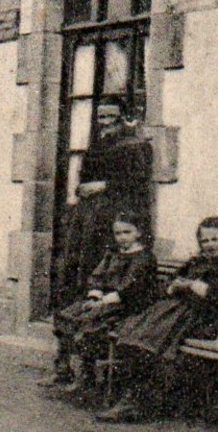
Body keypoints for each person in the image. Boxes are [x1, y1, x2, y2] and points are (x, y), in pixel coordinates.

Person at [96, 216, 218, 422]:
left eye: (215, 239)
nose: (210, 245)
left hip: (208, 318)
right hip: (179, 311)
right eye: (205, 241)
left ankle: (138, 403)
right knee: (138, 331)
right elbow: (168, 284)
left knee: (151, 337)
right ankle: (135, 399)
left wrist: (194, 287)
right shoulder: (195, 262)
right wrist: (175, 285)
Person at [52, 100, 152, 311]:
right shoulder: (97, 146)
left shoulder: (136, 145)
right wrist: (82, 189)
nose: (106, 122)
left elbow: (138, 181)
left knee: (102, 257)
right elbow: (85, 176)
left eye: (111, 117)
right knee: (78, 259)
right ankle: (78, 306)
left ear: (123, 118)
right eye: (101, 117)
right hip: (88, 212)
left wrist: (104, 185)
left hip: (114, 212)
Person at [40, 212, 158, 393]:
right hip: (102, 301)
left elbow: (130, 288)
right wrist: (94, 296)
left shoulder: (143, 258)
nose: (122, 238)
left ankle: (86, 375)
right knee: (67, 316)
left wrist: (102, 302)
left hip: (125, 304)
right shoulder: (112, 254)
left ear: (139, 233)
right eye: (118, 233)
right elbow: (98, 276)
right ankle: (63, 369)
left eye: (127, 232)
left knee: (88, 323)